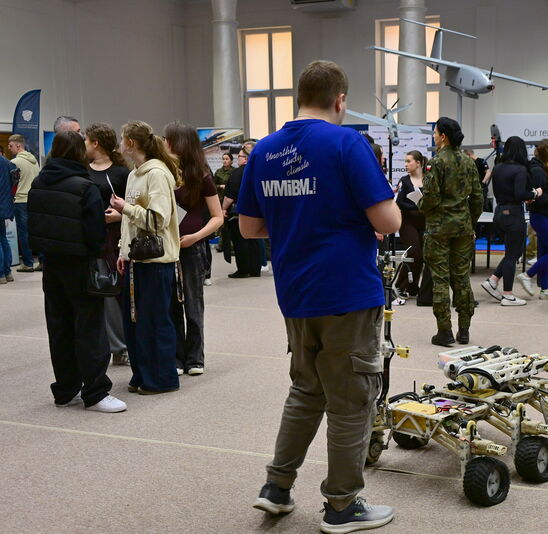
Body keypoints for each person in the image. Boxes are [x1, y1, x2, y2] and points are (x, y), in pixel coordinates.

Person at [237, 60, 399, 533]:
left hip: (296, 292)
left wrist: (297, 221)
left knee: (306, 389)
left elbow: (249, 228)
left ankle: (277, 487)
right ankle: (343, 505)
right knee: (352, 399)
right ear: (340, 100)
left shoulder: (264, 149)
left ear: (298, 95)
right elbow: (388, 222)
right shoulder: (347, 142)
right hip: (347, 291)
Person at [27, 131, 126, 412]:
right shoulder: (85, 187)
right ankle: (95, 392)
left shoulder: (38, 182)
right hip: (81, 265)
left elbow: (33, 226)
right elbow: (96, 234)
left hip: (51, 266)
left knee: (59, 327)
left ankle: (65, 388)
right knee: (90, 328)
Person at [111, 121, 181, 395]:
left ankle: (162, 378)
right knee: (134, 323)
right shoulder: (133, 175)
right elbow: (129, 224)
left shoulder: (157, 175)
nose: (118, 143)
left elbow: (158, 219)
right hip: (134, 260)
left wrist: (125, 207)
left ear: (131, 143)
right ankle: (142, 373)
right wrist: (122, 250)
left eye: (121, 138)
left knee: (154, 322)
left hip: (156, 262)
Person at [164, 121, 224, 376]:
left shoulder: (201, 175)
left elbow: (217, 216)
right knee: (171, 304)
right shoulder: (162, 172)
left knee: (192, 303)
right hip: (167, 247)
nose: (164, 143)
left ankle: (195, 357)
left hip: (192, 247)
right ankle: (177, 356)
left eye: (168, 139)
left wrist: (196, 237)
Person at [420, 117, 483, 346]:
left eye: (435, 133)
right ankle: (464, 330)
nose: (434, 137)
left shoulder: (437, 162)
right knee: (462, 278)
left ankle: (444, 331)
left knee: (440, 279)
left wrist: (421, 207)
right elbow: (477, 197)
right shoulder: (468, 162)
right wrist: (470, 222)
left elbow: (431, 197)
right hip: (463, 228)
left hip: (439, 228)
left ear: (443, 136)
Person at [84, 123, 130, 366]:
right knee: (102, 292)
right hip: (94, 239)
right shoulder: (83, 171)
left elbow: (134, 207)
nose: (83, 145)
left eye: (86, 140)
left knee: (121, 291)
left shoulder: (122, 173)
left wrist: (120, 216)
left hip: (119, 238)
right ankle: (113, 346)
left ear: (96, 143)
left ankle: (124, 345)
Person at [481, 136, 538, 305]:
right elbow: (520, 194)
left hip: (499, 212)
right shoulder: (520, 169)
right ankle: (507, 294)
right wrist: (535, 193)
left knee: (512, 252)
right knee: (513, 254)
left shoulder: (497, 167)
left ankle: (493, 280)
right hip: (513, 213)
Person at [515, 139, 548, 300]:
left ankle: (545, 288)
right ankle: (527, 275)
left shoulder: (541, 169)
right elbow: (539, 198)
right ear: (547, 153)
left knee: (544, 252)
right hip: (542, 216)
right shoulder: (537, 171)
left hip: (545, 215)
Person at [222, 147, 262, 278]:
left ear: (245, 158)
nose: (237, 158)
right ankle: (255, 270)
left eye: (239, 156)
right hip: (257, 210)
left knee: (241, 241)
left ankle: (244, 270)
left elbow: (230, 195)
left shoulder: (238, 173)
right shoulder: (258, 170)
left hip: (239, 212)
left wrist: (223, 208)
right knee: (255, 240)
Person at [395, 150, 427, 298]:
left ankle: (413, 286)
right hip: (408, 222)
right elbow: (399, 202)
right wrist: (417, 206)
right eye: (405, 161)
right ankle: (399, 286)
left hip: (425, 221)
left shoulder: (428, 180)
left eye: (409, 161)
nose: (406, 164)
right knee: (414, 252)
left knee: (422, 256)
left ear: (418, 163)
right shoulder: (404, 180)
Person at [8, 134, 41, 272]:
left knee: (24, 233)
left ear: (18, 145)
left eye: (11, 146)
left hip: (21, 200)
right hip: (35, 199)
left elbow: (11, 183)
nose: (9, 149)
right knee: (37, 231)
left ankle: (28, 263)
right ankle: (42, 261)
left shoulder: (15, 162)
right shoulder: (34, 160)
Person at [0, 154, 18, 284]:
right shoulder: (7, 162)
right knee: (3, 238)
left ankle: (0, 274)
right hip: (5, 204)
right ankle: (7, 272)